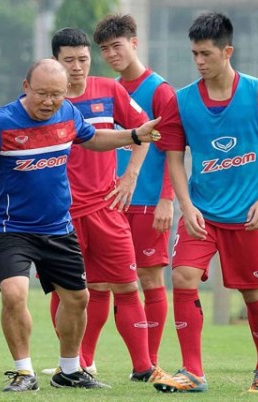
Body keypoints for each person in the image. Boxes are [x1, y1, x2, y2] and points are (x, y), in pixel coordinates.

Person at [0, 58, 161, 392]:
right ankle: (23, 372)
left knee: (78, 299)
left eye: (56, 95)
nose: (49, 102)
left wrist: (131, 135)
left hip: (58, 227)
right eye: (42, 93)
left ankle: (70, 371)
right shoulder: (0, 123)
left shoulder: (68, 113)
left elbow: (91, 138)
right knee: (14, 294)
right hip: (11, 228)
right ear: (25, 87)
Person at [151, 12, 258, 393]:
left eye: (206, 54)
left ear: (227, 51)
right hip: (201, 212)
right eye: (194, 54)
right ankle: (192, 372)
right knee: (181, 276)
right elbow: (174, 156)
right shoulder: (180, 101)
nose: (199, 61)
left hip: (248, 217)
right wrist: (186, 204)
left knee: (252, 293)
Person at [42, 27, 165, 382]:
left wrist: (131, 177)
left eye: (83, 59)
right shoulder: (46, 102)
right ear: (55, 62)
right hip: (61, 215)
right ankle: (73, 362)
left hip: (106, 209)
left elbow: (145, 130)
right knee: (68, 290)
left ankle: (143, 367)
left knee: (127, 286)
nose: (78, 67)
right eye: (69, 60)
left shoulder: (109, 90)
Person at [94, 14, 177, 369]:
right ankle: (83, 361)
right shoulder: (110, 90)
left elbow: (175, 148)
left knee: (148, 277)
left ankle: (150, 361)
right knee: (100, 281)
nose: (112, 54)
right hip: (110, 201)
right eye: (105, 49)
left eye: (117, 46)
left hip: (147, 200)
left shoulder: (160, 90)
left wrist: (167, 199)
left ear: (134, 43)